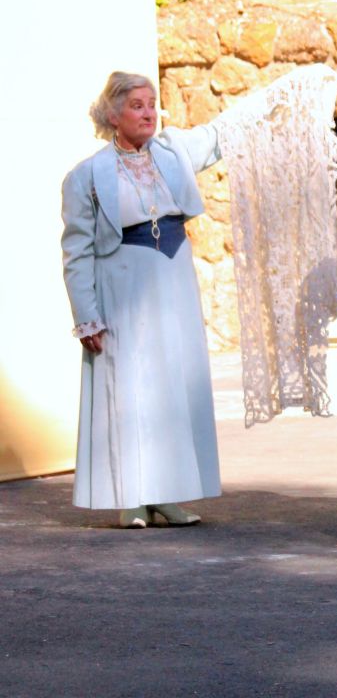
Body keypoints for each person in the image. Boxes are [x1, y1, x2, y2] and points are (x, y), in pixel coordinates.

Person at [61, 72, 227, 528]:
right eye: (137, 105)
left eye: (152, 103)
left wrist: (284, 98)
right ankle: (132, 498)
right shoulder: (87, 175)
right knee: (131, 387)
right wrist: (86, 316)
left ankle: (166, 494)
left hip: (173, 279)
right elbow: (76, 251)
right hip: (123, 284)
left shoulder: (172, 152)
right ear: (113, 115)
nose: (149, 112)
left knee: (171, 386)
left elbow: (220, 135)